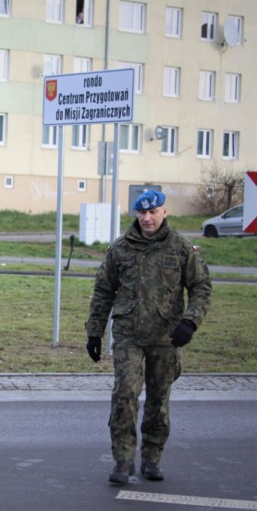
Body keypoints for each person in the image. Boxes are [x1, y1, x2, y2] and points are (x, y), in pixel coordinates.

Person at [86, 190, 211, 485]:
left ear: (164, 212)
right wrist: (94, 331)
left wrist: (190, 322)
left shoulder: (181, 248)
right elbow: (103, 291)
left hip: (167, 337)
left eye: (153, 212)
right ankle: (123, 459)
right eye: (142, 213)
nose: (147, 218)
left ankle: (152, 458)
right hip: (129, 334)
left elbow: (201, 287)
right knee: (125, 394)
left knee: (158, 399)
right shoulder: (120, 249)